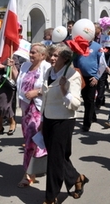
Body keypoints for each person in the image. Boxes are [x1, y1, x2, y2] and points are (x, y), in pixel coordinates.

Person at [41, 44, 87, 204]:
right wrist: (42, 119)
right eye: (51, 54)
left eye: (56, 56)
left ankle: (50, 197)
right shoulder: (49, 71)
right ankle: (77, 178)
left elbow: (76, 103)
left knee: (54, 159)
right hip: (48, 118)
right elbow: (45, 97)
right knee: (58, 156)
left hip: (63, 120)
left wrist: (63, 89)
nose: (52, 58)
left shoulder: (72, 75)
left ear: (65, 58)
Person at [16, 42, 49, 188]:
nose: (30, 54)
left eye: (34, 52)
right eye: (30, 51)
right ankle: (38, 167)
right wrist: (13, 68)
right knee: (32, 140)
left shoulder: (46, 68)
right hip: (26, 109)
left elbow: (51, 87)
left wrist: (38, 92)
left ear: (42, 55)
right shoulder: (25, 66)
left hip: (38, 109)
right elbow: (19, 82)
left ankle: (28, 174)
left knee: (31, 141)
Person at [73, 36, 103, 132]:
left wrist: (97, 77)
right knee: (85, 98)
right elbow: (75, 60)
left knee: (89, 101)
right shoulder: (79, 46)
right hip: (81, 76)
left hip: (92, 77)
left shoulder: (97, 47)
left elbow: (102, 63)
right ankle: (92, 116)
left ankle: (86, 124)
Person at [0, 54, 18, 136]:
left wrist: (6, 66)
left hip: (8, 85)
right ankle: (0, 126)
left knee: (6, 106)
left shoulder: (13, 56)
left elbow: (17, 71)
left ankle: (12, 122)